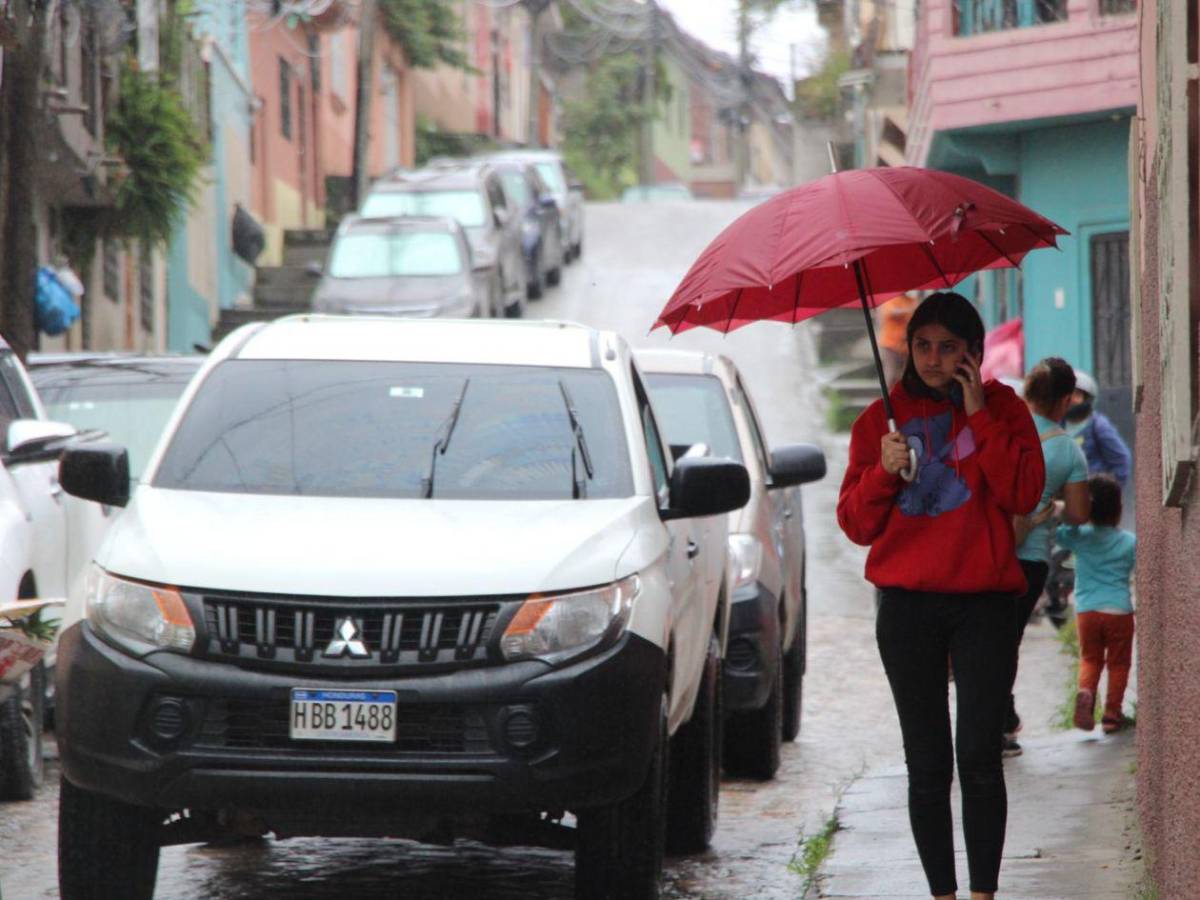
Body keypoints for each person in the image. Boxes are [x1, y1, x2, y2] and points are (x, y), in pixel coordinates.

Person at [837, 292, 1045, 900]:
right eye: (922, 345)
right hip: (907, 609)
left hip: (984, 604)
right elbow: (855, 525)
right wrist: (881, 471)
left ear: (972, 352)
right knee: (927, 765)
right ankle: (943, 895)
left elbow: (1024, 493)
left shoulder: (1005, 407)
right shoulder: (881, 419)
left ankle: (983, 893)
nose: (932, 358)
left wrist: (979, 414)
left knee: (979, 755)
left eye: (948, 347)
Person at [1005, 358, 1091, 757]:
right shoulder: (1068, 452)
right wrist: (1049, 508)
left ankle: (992, 719)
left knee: (982, 638)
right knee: (1008, 641)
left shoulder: (1004, 432)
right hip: (1029, 559)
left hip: (986, 548)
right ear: (1066, 399)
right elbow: (1077, 514)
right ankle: (1000, 723)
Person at [1057, 474, 1136, 734]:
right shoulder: (1128, 542)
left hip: (1087, 611)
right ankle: (1112, 715)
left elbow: (1061, 532)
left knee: (1090, 659)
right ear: (1119, 509)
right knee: (1119, 663)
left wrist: (1073, 513)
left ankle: (1086, 692)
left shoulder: (1081, 537)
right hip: (1118, 611)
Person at [1064, 370, 1132, 487]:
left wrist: (1110, 495)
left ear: (1087, 398)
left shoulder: (1098, 426)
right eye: (1067, 395)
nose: (1071, 400)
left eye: (1077, 395)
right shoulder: (1056, 425)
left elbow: (1121, 460)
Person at [877, 293, 920, 389]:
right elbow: (891, 312)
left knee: (906, 375)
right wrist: (909, 310)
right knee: (891, 374)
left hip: (905, 345)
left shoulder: (910, 300)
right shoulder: (890, 299)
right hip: (890, 344)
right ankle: (888, 397)